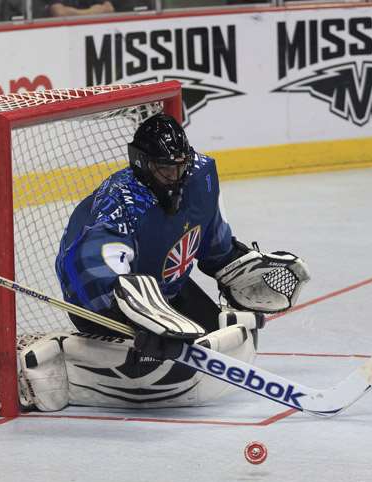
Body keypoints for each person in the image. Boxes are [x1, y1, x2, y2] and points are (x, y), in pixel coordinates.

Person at [18, 113, 311, 411]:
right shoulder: (119, 201)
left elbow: (207, 231)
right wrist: (132, 312)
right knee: (152, 358)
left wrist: (231, 260)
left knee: (213, 339)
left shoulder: (199, 175)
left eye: (180, 167)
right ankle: (73, 358)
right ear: (142, 163)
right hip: (107, 299)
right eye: (164, 170)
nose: (176, 177)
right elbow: (90, 262)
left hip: (165, 288)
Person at [44, 0, 114, 18]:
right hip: (62, 35)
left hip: (89, 33)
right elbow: (59, 12)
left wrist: (72, 13)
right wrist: (91, 12)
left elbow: (109, 9)